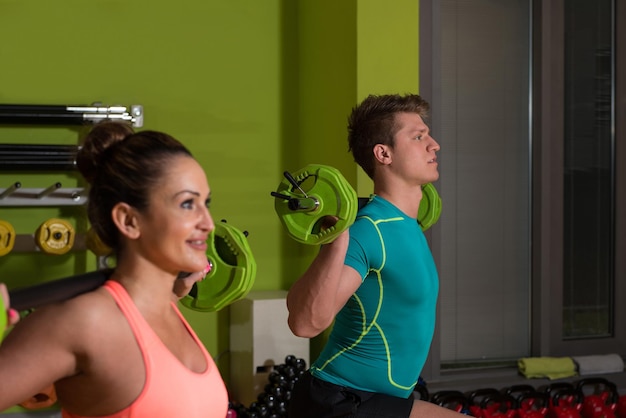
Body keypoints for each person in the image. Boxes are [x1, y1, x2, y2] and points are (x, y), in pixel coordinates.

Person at [0, 121, 229, 417]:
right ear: (129, 220)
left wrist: (171, 291)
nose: (207, 222)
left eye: (205, 203)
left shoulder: (166, 312)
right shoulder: (86, 322)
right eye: (187, 204)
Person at [286, 94, 464, 417]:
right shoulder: (369, 231)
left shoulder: (406, 225)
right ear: (383, 154)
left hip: (380, 400)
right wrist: (337, 241)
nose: (434, 144)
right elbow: (304, 323)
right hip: (340, 402)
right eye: (419, 137)